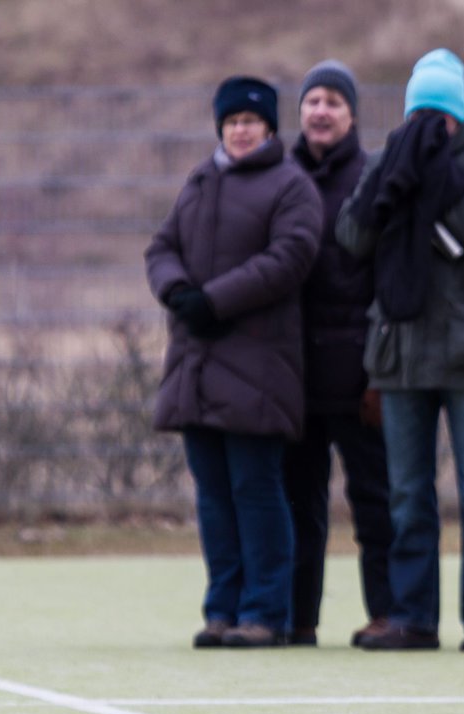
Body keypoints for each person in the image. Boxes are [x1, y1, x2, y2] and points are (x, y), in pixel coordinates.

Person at [337, 49, 464, 652]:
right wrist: (398, 181)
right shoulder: (389, 163)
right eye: (418, 114)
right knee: (407, 494)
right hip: (400, 354)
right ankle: (412, 616)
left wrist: (430, 181)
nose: (426, 129)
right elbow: (352, 234)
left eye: (437, 117)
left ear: (459, 118)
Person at [146, 76, 322, 648]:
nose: (240, 130)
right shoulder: (201, 180)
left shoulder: (290, 185)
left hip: (259, 371)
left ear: (269, 127)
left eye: (250, 121)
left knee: (256, 490)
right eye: (231, 122)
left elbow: (290, 256)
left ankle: (264, 612)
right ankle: (221, 608)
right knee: (213, 496)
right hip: (196, 368)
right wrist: (178, 294)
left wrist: (213, 300)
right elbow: (161, 248)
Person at [285, 60, 393, 648]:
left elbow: (385, 279)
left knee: (373, 504)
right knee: (298, 504)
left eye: (332, 101)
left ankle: (386, 612)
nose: (320, 111)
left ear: (351, 114)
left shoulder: (373, 177)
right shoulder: (278, 175)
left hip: (358, 377)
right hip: (292, 376)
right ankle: (297, 619)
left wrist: (377, 373)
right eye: (312, 101)